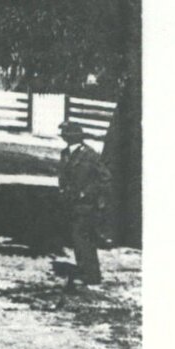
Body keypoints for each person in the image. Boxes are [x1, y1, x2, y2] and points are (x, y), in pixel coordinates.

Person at [57, 119, 110, 286]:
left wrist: (86, 193)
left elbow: (105, 178)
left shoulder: (90, 155)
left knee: (84, 239)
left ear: (75, 136)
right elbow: (63, 176)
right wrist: (62, 190)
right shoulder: (65, 153)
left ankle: (92, 276)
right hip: (71, 203)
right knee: (76, 238)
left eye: (67, 134)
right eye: (64, 134)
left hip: (86, 205)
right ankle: (83, 270)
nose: (64, 136)